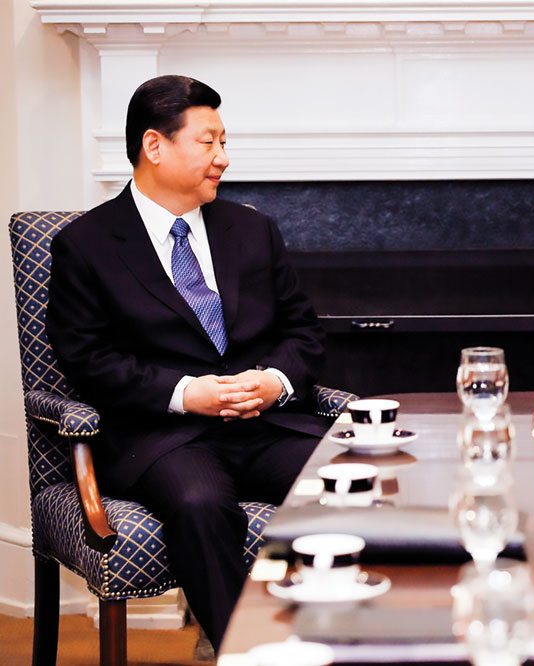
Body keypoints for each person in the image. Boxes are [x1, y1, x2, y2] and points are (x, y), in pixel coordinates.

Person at [47, 75, 333, 651]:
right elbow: (87, 359)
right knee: (200, 504)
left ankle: (344, 640)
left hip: (264, 425)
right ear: (155, 146)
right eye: (208, 142)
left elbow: (303, 331)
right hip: (164, 437)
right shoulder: (86, 243)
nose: (222, 157)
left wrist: (273, 381)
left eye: (224, 142)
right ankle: (246, 655)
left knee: (353, 483)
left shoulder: (253, 229)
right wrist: (185, 392)